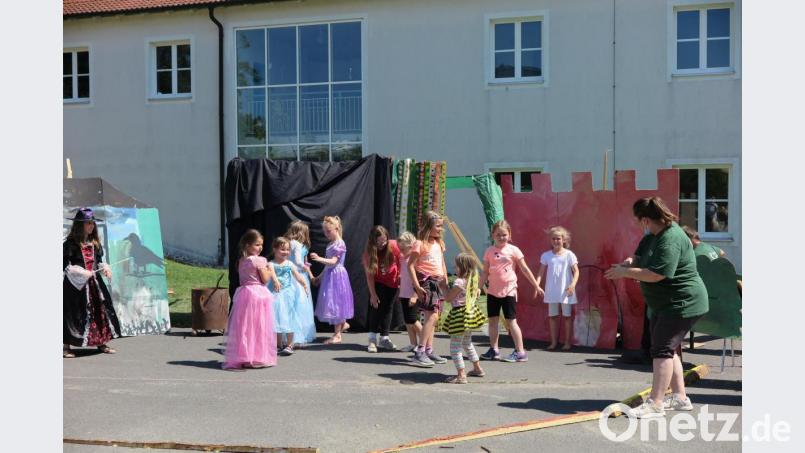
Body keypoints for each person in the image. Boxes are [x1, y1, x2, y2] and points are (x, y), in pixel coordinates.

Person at [605, 197, 709, 418]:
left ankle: (655, 403)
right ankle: (680, 398)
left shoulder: (670, 238)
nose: (639, 225)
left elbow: (657, 274)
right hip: (665, 304)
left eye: (639, 221)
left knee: (661, 350)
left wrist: (625, 273)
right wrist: (628, 265)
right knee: (668, 349)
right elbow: (638, 258)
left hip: (682, 302)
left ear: (645, 219)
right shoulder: (652, 236)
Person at [479, 219, 541, 363]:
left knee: (511, 321)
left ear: (509, 235)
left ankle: (520, 352)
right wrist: (478, 287)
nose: (502, 237)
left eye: (504, 235)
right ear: (493, 235)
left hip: (509, 290)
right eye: (499, 235)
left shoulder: (514, 250)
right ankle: (494, 350)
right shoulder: (489, 251)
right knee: (492, 321)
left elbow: (524, 269)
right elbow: (484, 272)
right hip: (493, 292)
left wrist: (536, 286)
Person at [63, 207, 122, 358]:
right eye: (88, 223)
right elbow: (65, 265)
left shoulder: (94, 243)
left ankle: (101, 342)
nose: (91, 226)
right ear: (79, 225)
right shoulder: (70, 244)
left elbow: (99, 262)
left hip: (94, 284)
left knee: (99, 311)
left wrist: (105, 268)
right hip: (76, 285)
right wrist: (81, 272)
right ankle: (67, 346)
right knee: (74, 313)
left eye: (92, 223)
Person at [222, 229, 280, 370]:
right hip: (258, 294)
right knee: (258, 326)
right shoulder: (260, 260)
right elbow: (265, 279)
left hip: (244, 294)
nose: (260, 248)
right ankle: (256, 356)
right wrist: (270, 270)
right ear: (247, 245)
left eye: (261, 245)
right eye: (257, 245)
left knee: (245, 327)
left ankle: (245, 355)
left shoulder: (241, 261)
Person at [408, 211, 449, 367]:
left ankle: (429, 350)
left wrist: (445, 280)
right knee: (432, 317)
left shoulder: (438, 243)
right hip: (427, 282)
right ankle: (420, 351)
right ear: (428, 226)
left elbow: (442, 263)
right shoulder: (420, 243)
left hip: (438, 282)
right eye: (437, 226)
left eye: (441, 226)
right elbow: (410, 265)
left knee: (434, 318)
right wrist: (417, 286)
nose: (440, 229)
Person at [442, 253, 487, 384]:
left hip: (459, 316)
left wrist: (444, 287)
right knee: (467, 343)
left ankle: (461, 375)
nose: (454, 268)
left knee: (455, 348)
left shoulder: (459, 282)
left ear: (463, 268)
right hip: (468, 315)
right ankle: (477, 368)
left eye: (456, 266)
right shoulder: (473, 282)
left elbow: (449, 298)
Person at [535, 226, 580, 350]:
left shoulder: (569, 255)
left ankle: (567, 343)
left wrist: (572, 285)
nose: (556, 241)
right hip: (551, 291)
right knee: (553, 317)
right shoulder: (546, 255)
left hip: (566, 291)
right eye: (553, 239)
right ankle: (554, 342)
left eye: (558, 239)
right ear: (550, 240)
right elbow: (540, 272)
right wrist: (537, 285)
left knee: (567, 316)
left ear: (563, 239)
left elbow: (576, 272)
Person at [312, 216, 354, 344]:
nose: (326, 234)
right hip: (330, 275)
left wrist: (318, 258)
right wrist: (320, 276)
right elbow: (328, 265)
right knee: (333, 301)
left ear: (336, 229)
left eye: (328, 231)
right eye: (325, 231)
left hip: (337, 275)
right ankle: (343, 323)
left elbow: (334, 262)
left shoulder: (340, 244)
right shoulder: (331, 244)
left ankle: (337, 335)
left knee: (336, 302)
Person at [362, 225, 401, 353]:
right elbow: (369, 276)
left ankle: (384, 338)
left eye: (384, 240)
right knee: (376, 307)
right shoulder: (369, 252)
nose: (382, 244)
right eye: (379, 241)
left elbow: (402, 263)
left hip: (393, 283)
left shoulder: (394, 245)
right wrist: (373, 294)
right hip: (378, 282)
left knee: (388, 308)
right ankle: (372, 339)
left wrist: (401, 279)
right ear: (373, 240)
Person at [268, 237, 309, 356]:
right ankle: (278, 344)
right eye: (282, 249)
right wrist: (275, 281)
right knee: (277, 319)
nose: (286, 252)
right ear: (275, 249)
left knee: (290, 317)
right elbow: (272, 275)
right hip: (275, 295)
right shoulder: (271, 264)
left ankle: (290, 344)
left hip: (288, 294)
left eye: (287, 249)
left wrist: (304, 284)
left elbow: (297, 276)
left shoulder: (289, 263)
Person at [284, 220, 317, 346]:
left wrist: (308, 271)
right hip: (297, 276)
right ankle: (299, 334)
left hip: (294, 275)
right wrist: (304, 267)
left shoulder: (292, 244)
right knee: (300, 304)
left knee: (295, 304)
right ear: (301, 232)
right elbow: (298, 261)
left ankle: (292, 335)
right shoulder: (296, 244)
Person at [396, 231, 423, 353]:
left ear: (411, 247)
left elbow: (419, 280)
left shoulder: (414, 261)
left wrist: (415, 295)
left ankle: (425, 343)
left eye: (403, 248)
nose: (401, 251)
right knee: (407, 321)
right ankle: (413, 344)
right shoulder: (403, 258)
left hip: (412, 295)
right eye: (399, 248)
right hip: (404, 294)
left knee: (413, 319)